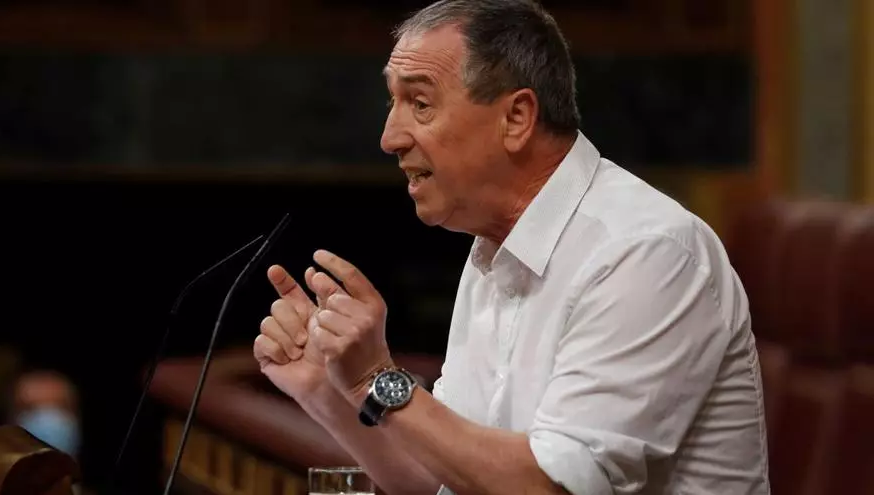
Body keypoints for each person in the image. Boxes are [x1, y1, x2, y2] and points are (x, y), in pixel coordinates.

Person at [253, 1, 770, 493]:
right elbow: (444, 479)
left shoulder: (644, 252)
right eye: (394, 102)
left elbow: (549, 488)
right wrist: (327, 389)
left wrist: (377, 378)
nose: (390, 137)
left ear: (517, 118)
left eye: (420, 104)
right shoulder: (493, 250)